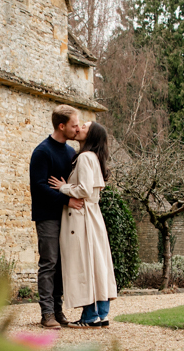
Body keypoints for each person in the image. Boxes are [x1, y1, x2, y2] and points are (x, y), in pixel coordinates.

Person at [49, 121, 118, 327]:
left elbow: (85, 190)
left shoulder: (86, 157)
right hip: (91, 215)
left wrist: (63, 187)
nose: (78, 128)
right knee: (96, 262)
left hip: (82, 217)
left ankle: (90, 316)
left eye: (84, 127)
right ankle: (100, 314)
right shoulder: (92, 158)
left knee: (86, 264)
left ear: (91, 136)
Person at [29, 106, 84, 330]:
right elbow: (39, 188)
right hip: (47, 216)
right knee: (49, 263)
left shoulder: (71, 153)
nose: (77, 128)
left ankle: (59, 311)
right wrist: (66, 200)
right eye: (74, 125)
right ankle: (47, 313)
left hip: (67, 217)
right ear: (61, 126)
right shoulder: (42, 152)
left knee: (62, 265)